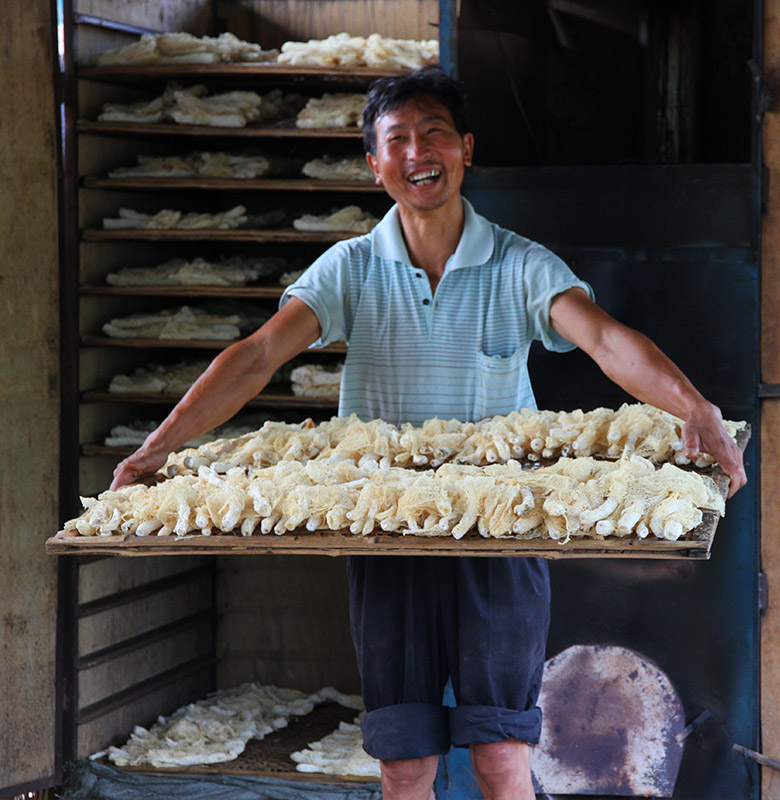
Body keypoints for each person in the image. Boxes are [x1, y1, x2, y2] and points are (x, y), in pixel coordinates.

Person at [111, 67, 746, 800]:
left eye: (435, 132)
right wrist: (157, 447)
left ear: (466, 148)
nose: (420, 151)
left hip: (499, 538)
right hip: (388, 538)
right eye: (399, 139)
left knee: (503, 757)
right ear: (375, 165)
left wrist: (693, 408)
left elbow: (605, 341)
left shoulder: (518, 264)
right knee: (405, 763)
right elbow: (256, 356)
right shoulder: (349, 269)